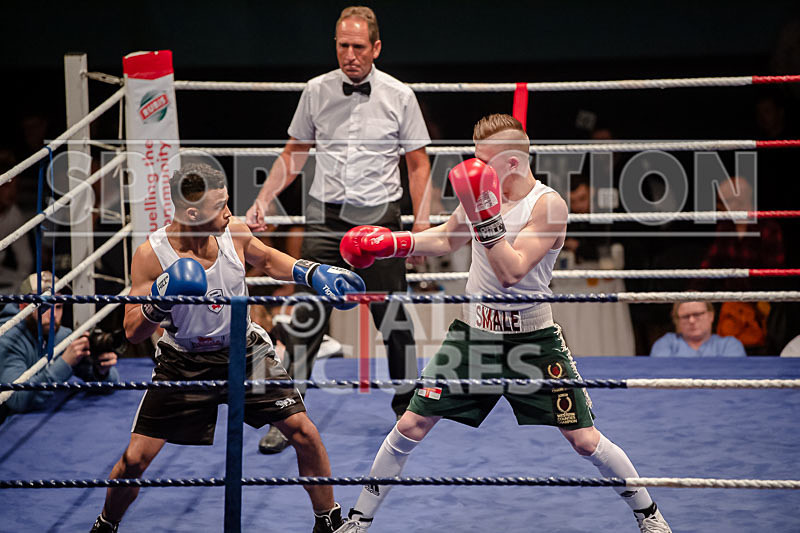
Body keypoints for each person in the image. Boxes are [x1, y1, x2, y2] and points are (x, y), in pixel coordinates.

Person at [334, 114, 672, 532]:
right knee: (410, 423)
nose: (475, 170)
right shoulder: (484, 192)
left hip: (533, 341)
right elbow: (446, 238)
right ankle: (358, 521)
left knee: (584, 440)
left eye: (484, 161)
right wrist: (391, 243)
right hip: (474, 336)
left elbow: (512, 271)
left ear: (512, 162)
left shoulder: (548, 206)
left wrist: (486, 216)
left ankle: (648, 513)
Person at [89, 163, 365, 533]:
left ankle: (328, 520)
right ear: (192, 212)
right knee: (136, 459)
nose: (229, 212)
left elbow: (267, 259)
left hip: (244, 351)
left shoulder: (233, 232)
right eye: (220, 206)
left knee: (304, 433)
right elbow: (133, 331)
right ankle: (106, 524)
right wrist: (160, 300)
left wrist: (311, 272)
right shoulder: (151, 255)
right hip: (182, 361)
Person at [246, 5, 432, 453]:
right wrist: (264, 198)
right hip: (327, 221)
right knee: (308, 318)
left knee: (394, 318)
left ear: (376, 47)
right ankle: (288, 414)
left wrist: (421, 228)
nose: (350, 55)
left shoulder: (399, 95)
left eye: (359, 46)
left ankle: (407, 409)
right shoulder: (316, 90)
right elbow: (294, 151)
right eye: (343, 45)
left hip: (381, 221)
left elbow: (418, 163)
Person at [0, 272, 120, 422]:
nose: (53, 315)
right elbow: (17, 400)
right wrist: (64, 363)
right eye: (45, 307)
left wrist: (101, 371)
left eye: (58, 307)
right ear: (24, 305)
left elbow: (112, 382)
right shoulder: (7, 338)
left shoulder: (61, 335)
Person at [650, 301, 746, 357]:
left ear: (711, 315)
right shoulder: (665, 344)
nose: (691, 320)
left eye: (697, 314)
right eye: (685, 316)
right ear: (677, 320)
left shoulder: (730, 345)